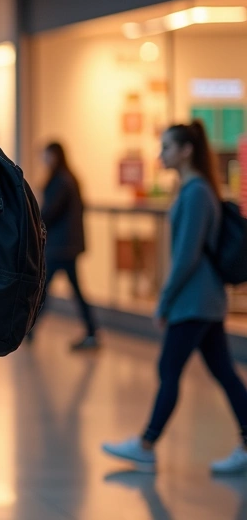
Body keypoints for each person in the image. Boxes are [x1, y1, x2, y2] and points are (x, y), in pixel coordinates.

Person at [102, 121, 247, 474]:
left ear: (186, 150)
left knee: (170, 368)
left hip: (194, 301)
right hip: (203, 300)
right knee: (223, 372)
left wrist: (163, 300)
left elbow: (186, 256)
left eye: (166, 147)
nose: (160, 153)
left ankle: (147, 444)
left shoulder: (196, 192)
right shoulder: (194, 189)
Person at [37, 142, 100, 349]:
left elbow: (50, 212)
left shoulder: (61, 181)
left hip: (61, 246)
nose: (44, 160)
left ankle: (29, 329)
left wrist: (34, 220)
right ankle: (91, 330)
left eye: (46, 156)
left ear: (55, 156)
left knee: (44, 288)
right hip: (65, 246)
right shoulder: (67, 178)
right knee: (65, 288)